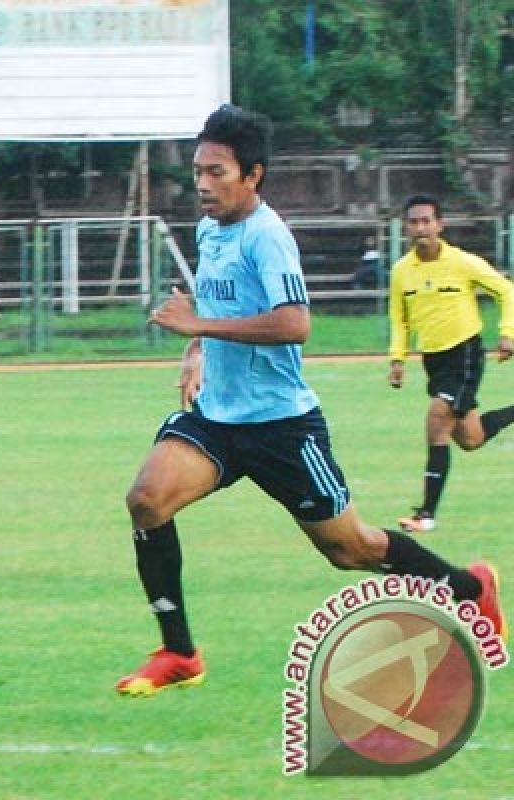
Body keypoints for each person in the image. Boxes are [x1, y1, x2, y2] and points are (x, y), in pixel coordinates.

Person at [117, 105, 506, 697]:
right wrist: (195, 350)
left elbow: (295, 324)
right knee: (147, 500)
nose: (202, 183)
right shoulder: (208, 229)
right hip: (218, 419)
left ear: (253, 175)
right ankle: (179, 652)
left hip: (282, 428)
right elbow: (215, 305)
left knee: (352, 550)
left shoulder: (269, 237)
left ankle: (469, 587)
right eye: (198, 170)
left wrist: (199, 323)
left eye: (216, 172)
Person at [387, 194, 514, 533]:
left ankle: (426, 514)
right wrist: (397, 358)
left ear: (440, 225)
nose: (420, 228)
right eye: (413, 222)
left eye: (426, 221)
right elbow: (399, 319)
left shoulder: (462, 262)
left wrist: (507, 333)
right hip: (434, 360)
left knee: (437, 419)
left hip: (465, 354)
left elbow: (505, 289)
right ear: (405, 227)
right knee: (470, 438)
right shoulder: (401, 271)